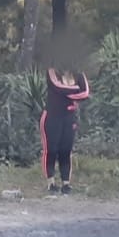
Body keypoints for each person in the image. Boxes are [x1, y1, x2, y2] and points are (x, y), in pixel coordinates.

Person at [41, 67, 89, 195]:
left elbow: (85, 93)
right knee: (51, 149)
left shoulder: (79, 74)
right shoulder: (52, 71)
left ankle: (66, 183)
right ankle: (51, 182)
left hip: (69, 117)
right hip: (52, 116)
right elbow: (57, 87)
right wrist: (75, 90)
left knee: (66, 150)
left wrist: (65, 92)